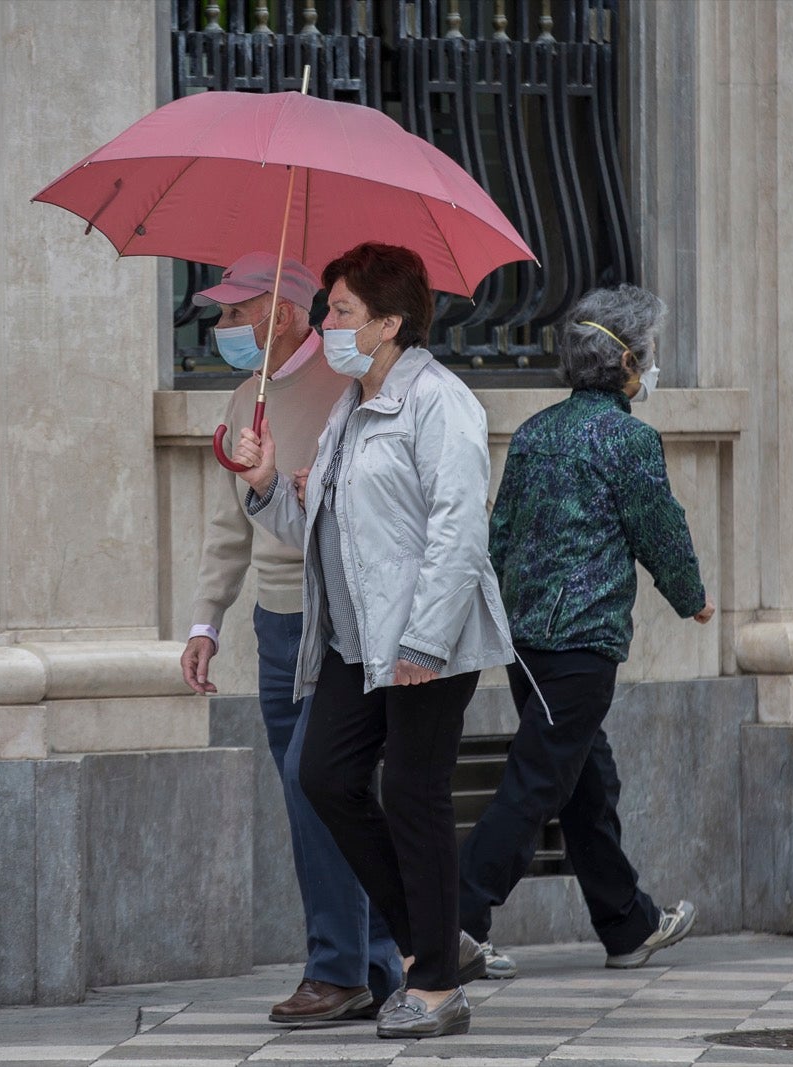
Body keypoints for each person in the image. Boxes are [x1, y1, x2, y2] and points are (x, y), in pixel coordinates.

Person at [231, 242, 515, 1040]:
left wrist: (423, 642)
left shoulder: (441, 403)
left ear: (391, 322)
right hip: (357, 646)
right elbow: (317, 528)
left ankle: (435, 986)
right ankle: (440, 938)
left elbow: (460, 532)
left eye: (342, 311)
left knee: (413, 798)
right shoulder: (348, 408)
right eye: (327, 311)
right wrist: (263, 489)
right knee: (323, 776)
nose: (327, 325)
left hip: (428, 644)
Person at [456, 283, 715, 976]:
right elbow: (658, 525)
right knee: (538, 783)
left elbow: (501, 532)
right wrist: (691, 597)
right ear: (626, 360)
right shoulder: (630, 439)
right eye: (651, 350)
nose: (654, 364)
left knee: (586, 780)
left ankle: (626, 922)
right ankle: (453, 916)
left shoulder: (537, 431)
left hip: (529, 644)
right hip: (580, 646)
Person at [179, 251, 402, 1024]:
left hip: (337, 620)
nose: (222, 329)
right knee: (318, 792)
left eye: (233, 315)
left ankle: (340, 966)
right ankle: (374, 961)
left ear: (275, 315)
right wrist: (207, 619)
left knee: (318, 782)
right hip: (275, 623)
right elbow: (228, 522)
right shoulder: (248, 394)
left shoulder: (348, 388)